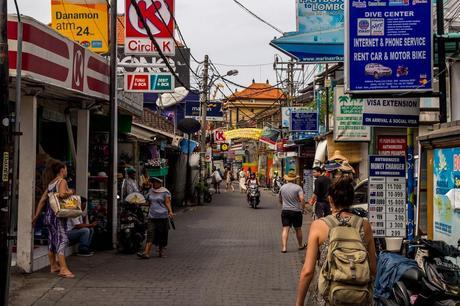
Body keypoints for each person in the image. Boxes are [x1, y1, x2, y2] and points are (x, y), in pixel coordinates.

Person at [296, 176, 377, 306]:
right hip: (359, 298)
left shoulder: (318, 225)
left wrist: (299, 303)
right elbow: (372, 268)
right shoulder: (364, 225)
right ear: (351, 200)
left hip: (327, 299)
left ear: (330, 199)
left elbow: (307, 271)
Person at [32, 160, 75, 278]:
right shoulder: (62, 181)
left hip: (48, 217)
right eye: (65, 169)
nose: (66, 171)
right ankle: (63, 268)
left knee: (52, 240)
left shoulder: (51, 183)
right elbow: (62, 195)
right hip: (58, 217)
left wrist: (36, 216)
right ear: (62, 170)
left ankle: (53, 265)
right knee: (63, 239)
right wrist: (70, 191)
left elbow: (42, 200)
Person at [138, 177, 174, 259]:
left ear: (160, 183)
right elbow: (147, 201)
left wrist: (170, 211)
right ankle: (146, 252)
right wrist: (139, 202)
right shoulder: (150, 191)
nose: (154, 184)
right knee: (150, 234)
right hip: (152, 216)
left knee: (161, 235)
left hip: (162, 217)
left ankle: (161, 252)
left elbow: (168, 202)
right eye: (153, 182)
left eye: (156, 182)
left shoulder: (165, 192)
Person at [279, 170, 307, 253]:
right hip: (296, 211)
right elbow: (302, 199)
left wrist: (283, 205)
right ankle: (300, 245)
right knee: (298, 229)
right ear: (294, 179)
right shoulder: (298, 187)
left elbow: (280, 199)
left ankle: (284, 248)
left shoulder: (282, 187)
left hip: (285, 211)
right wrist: (303, 208)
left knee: (285, 229)